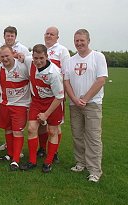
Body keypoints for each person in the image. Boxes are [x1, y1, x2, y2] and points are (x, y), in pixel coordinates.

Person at [63, 29, 108, 183]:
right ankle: (80, 163)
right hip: (74, 104)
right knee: (77, 135)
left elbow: (101, 79)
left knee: (93, 137)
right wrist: (75, 99)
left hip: (93, 104)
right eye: (76, 40)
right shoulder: (70, 60)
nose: (79, 43)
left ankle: (95, 170)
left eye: (82, 40)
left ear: (88, 40)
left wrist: (85, 98)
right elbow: (66, 81)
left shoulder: (97, 57)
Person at [19, 44, 64, 173]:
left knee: (53, 131)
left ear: (47, 56)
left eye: (41, 58)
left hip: (52, 102)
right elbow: (20, 57)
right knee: (32, 128)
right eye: (35, 58)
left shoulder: (54, 73)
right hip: (37, 101)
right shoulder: (30, 61)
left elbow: (59, 97)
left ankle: (48, 162)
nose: (38, 61)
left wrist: (46, 114)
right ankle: (32, 161)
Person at [0, 45, 30, 171]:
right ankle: (9, 154)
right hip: (5, 103)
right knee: (8, 130)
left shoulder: (23, 66)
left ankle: (16, 159)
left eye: (7, 56)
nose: (4, 59)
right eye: (2, 56)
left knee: (17, 131)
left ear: (13, 54)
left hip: (20, 105)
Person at [37, 26, 70, 161]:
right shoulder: (41, 50)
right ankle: (42, 148)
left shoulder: (62, 51)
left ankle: (54, 152)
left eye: (52, 34)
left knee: (55, 126)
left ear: (57, 37)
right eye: (47, 34)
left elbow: (66, 73)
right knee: (41, 124)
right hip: (41, 95)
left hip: (56, 94)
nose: (49, 36)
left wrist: (65, 92)